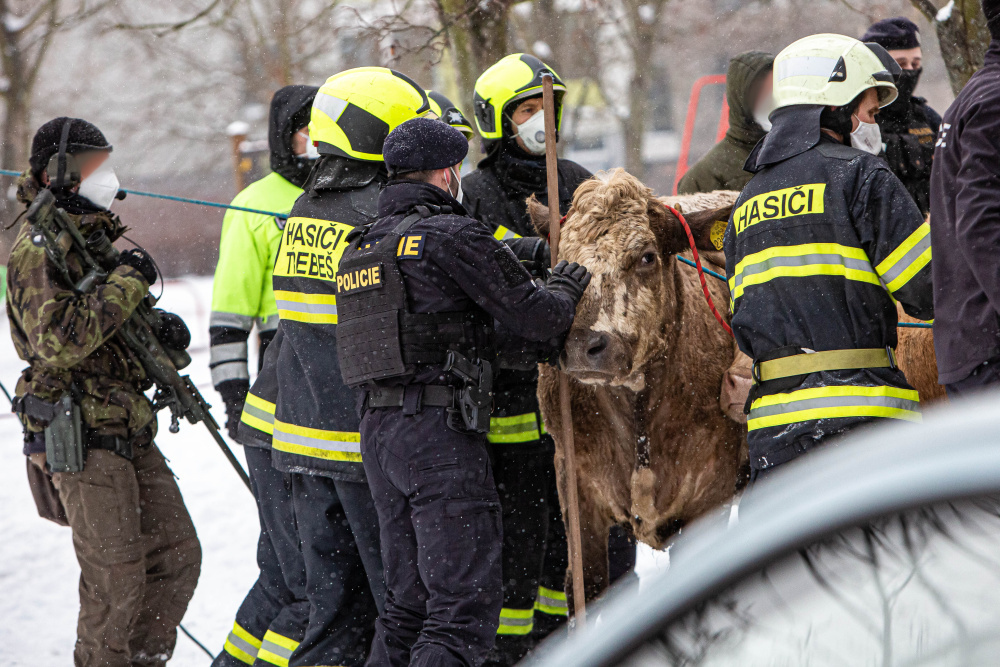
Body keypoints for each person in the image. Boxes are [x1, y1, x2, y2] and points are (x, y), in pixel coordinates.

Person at [338, 116, 589, 667]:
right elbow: (538, 317)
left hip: (380, 439)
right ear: (448, 173)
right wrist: (566, 285)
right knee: (461, 613)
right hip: (438, 440)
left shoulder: (362, 247)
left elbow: (436, 331)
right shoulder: (452, 235)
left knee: (407, 608)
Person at [239, 67, 429, 667]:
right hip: (363, 450)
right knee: (395, 613)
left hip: (304, 445)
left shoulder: (307, 208)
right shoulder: (376, 216)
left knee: (334, 619)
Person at [6, 117, 201, 667]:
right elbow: (61, 342)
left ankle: (139, 660)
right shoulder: (38, 246)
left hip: (126, 420)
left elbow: (113, 326)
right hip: (81, 430)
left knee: (177, 557)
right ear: (58, 173)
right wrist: (129, 281)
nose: (107, 176)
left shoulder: (90, 238)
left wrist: (159, 332)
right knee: (115, 580)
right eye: (94, 166)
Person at [463, 52, 631, 664]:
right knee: (520, 541)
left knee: (579, 541)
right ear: (498, 122)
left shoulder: (583, 180)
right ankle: (515, 651)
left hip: (582, 393)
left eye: (548, 109)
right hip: (509, 399)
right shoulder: (475, 195)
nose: (542, 121)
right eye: (528, 110)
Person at [724, 34, 933, 482]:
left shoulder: (746, 200)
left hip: (774, 438)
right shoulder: (861, 176)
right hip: (865, 425)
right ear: (836, 107)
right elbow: (929, 291)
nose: (875, 125)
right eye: (872, 113)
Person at [211, 85, 318, 667]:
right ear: (285, 134)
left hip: (332, 403)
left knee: (295, 569)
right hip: (277, 405)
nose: (315, 136)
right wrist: (232, 395)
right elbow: (230, 315)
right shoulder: (255, 204)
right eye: (305, 126)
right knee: (293, 572)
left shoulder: (350, 196)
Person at [930, 0, 1000, 396]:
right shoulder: (994, 101)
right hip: (990, 346)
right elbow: (980, 224)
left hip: (971, 340)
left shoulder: (976, 93)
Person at [861, 16, 941, 216]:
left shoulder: (927, 117)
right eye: (900, 63)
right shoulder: (858, 118)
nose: (910, 71)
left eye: (915, 64)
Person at [677, 51, 775, 195]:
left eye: (776, 89)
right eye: (761, 91)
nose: (771, 99)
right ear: (740, 98)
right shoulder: (705, 177)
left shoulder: (802, 156)